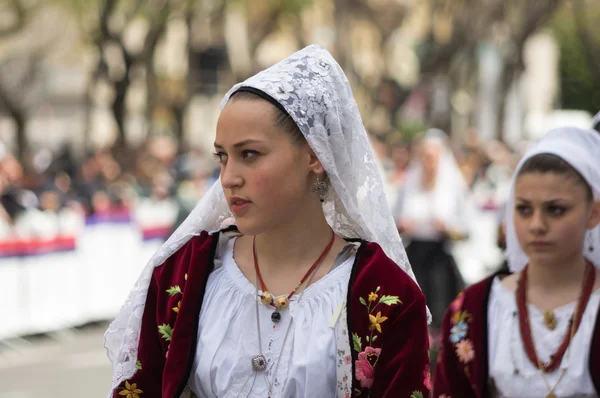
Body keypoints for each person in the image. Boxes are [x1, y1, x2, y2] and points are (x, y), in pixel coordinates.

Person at [105, 45, 431, 398]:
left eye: (249, 154)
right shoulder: (183, 274)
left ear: (314, 156)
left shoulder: (383, 294)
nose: (229, 177)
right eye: (222, 157)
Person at [433, 127, 600, 397]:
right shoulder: (475, 308)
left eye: (555, 209)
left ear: (593, 213)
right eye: (523, 209)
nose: (536, 225)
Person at [393, 129, 468, 331]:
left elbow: (466, 228)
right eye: (424, 157)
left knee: (439, 306)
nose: (428, 162)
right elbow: (393, 222)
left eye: (432, 157)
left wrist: (447, 228)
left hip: (440, 256)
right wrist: (403, 225)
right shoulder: (409, 183)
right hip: (414, 254)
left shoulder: (452, 186)